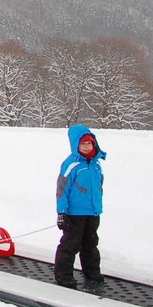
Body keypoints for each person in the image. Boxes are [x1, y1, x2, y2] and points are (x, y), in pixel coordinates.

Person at [54, 124, 107, 290]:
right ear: (76, 145)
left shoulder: (96, 164)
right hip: (75, 213)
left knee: (90, 243)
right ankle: (64, 276)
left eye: (89, 144)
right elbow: (62, 190)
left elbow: (99, 186)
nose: (86, 147)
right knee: (70, 245)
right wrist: (62, 212)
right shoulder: (71, 164)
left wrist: (97, 206)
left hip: (92, 212)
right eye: (82, 144)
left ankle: (92, 272)